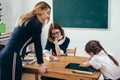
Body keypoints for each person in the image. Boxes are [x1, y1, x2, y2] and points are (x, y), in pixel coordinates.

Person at [0, 1, 51, 80]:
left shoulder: (28, 19)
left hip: (5, 54)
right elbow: (38, 45)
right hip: (13, 56)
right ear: (40, 10)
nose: (48, 16)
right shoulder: (36, 24)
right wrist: (41, 63)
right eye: (47, 12)